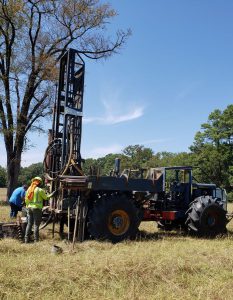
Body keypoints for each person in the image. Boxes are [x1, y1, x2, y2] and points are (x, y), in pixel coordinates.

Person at [24, 176, 55, 243]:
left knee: (29, 224)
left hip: (29, 208)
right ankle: (36, 240)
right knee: (36, 225)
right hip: (36, 209)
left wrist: (28, 206)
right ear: (39, 183)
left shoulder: (29, 189)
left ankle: (26, 240)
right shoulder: (39, 190)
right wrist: (52, 194)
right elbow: (46, 198)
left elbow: (26, 199)